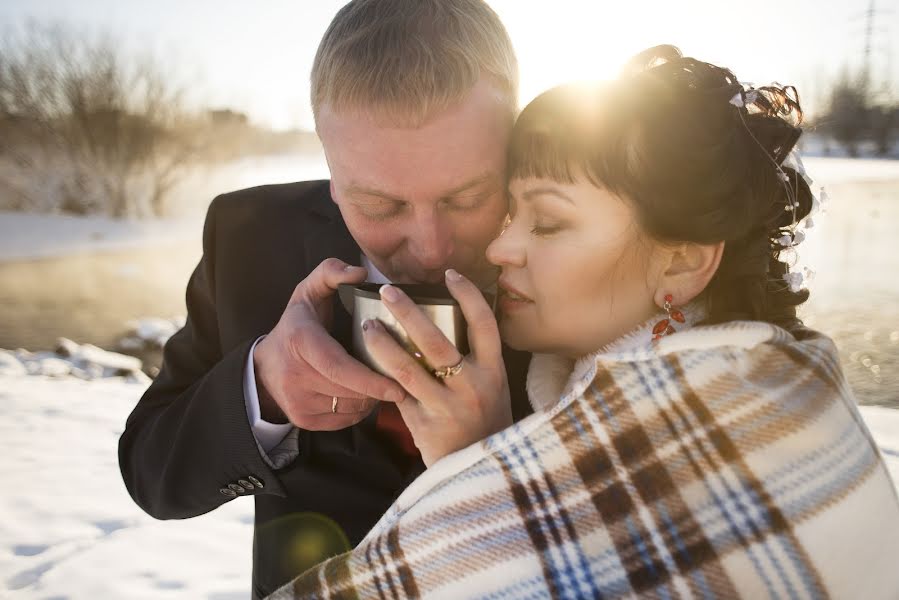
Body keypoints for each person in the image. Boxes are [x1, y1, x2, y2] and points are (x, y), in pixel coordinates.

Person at [271, 46, 899, 598]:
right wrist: (494, 466)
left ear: (681, 262)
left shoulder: (759, 435)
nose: (498, 249)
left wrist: (486, 476)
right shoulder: (755, 376)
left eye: (547, 222)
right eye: (508, 213)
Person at [117, 1, 534, 597]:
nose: (431, 247)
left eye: (469, 198)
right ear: (330, 166)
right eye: (380, 205)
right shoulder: (245, 236)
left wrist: (493, 460)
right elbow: (152, 476)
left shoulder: (581, 253)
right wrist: (261, 387)